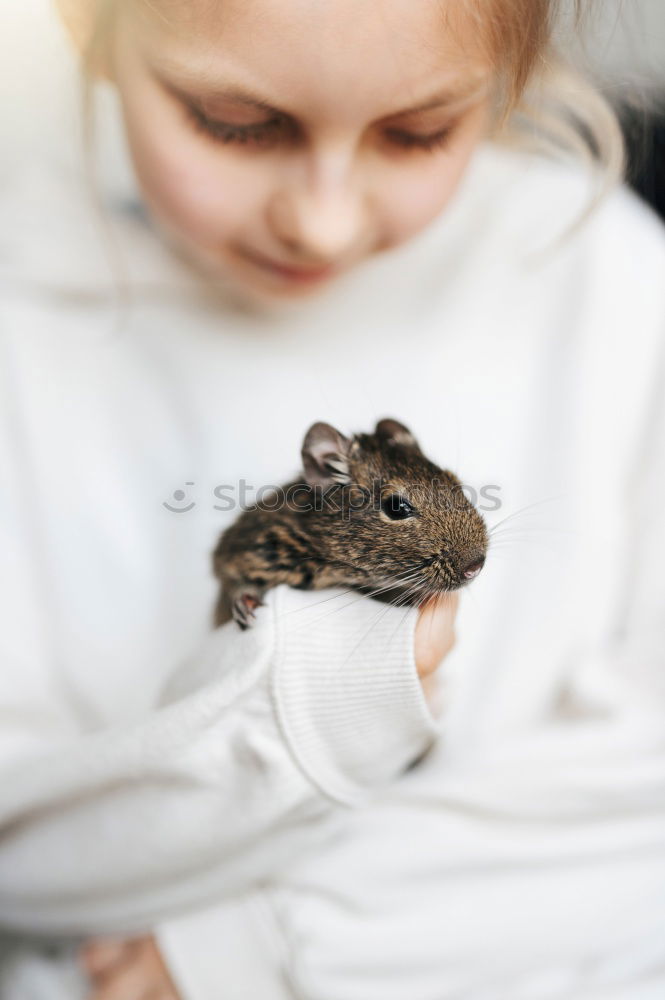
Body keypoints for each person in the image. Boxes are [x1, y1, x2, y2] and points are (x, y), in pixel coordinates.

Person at [1, 1, 664, 998]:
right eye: (233, 121)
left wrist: (267, 938)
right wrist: (307, 697)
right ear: (87, 26)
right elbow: (24, 851)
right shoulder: (29, 326)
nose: (322, 219)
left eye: (416, 133)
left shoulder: (604, 280)